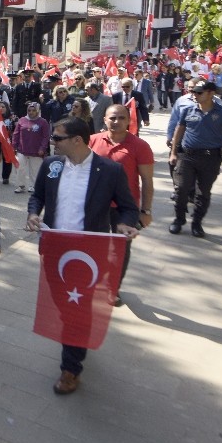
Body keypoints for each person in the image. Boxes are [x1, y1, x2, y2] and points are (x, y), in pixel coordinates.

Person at [26, 117, 139, 394]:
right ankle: (77, 338)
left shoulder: (109, 171)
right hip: (54, 249)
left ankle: (71, 368)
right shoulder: (51, 165)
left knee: (77, 307)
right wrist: (33, 213)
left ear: (77, 140)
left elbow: (128, 207)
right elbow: (37, 196)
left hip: (87, 253)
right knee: (63, 303)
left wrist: (125, 224)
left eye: (58, 138)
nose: (53, 142)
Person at [89, 106, 154, 305]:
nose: (116, 121)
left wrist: (146, 210)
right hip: (96, 206)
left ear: (129, 121)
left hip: (125, 209)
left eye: (121, 118)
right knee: (94, 246)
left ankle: (113, 288)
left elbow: (147, 180)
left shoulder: (140, 146)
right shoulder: (92, 141)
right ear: (105, 120)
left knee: (120, 249)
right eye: (112, 118)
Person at [168, 81, 222, 238]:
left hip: (210, 158)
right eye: (194, 92)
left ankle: (197, 222)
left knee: (203, 192)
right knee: (181, 189)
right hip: (187, 156)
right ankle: (179, 219)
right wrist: (173, 152)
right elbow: (179, 130)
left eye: (199, 92)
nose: (195, 95)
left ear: (211, 93)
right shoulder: (188, 110)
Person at [12, 102, 50, 193]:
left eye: (33, 110)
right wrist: (14, 146)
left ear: (38, 111)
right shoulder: (22, 120)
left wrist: (42, 148)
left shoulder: (43, 122)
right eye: (29, 110)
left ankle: (33, 185)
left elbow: (46, 137)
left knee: (35, 169)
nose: (31, 112)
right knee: (20, 168)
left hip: (36, 151)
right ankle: (20, 185)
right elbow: (16, 134)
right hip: (22, 149)